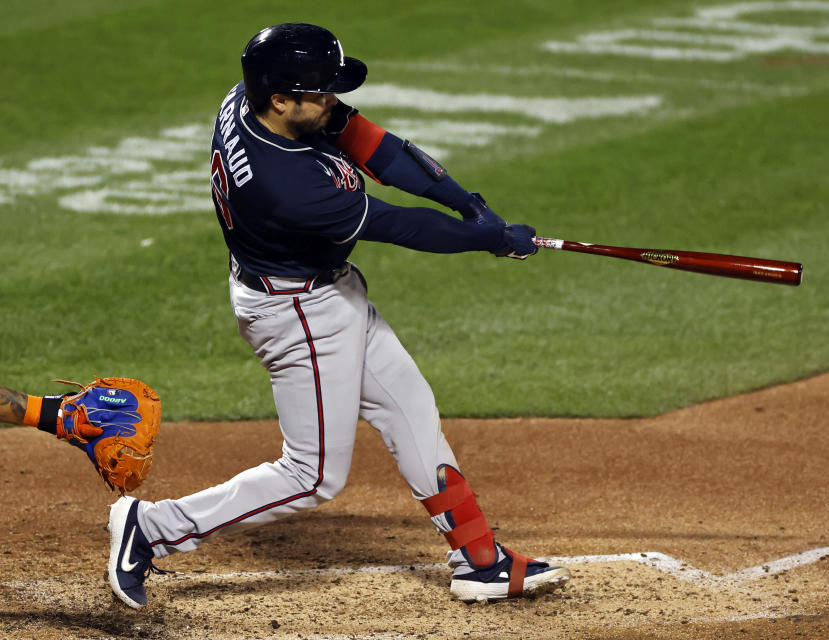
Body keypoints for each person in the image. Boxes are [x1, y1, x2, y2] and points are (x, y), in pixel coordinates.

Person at [106, 23, 570, 609]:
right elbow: (398, 226)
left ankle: (480, 561)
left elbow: (375, 146)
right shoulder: (287, 186)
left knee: (410, 408)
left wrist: (469, 205)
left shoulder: (252, 97)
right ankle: (149, 528)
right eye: (320, 92)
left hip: (324, 291)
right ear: (281, 99)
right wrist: (490, 240)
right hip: (296, 310)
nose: (332, 101)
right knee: (312, 475)